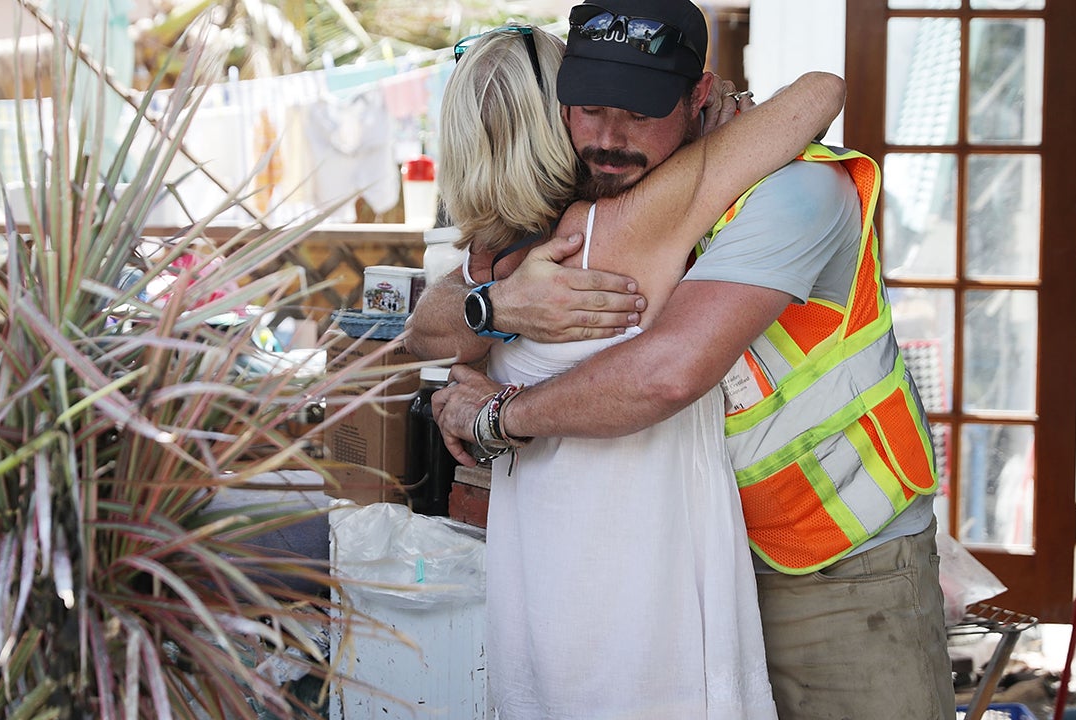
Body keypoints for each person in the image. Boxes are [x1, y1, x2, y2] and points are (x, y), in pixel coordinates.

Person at [407, 1, 958, 719]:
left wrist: (497, 415)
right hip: (689, 562)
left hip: (838, 563)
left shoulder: (793, 194)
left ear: (700, 97)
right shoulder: (569, 227)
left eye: (640, 112)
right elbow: (429, 327)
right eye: (588, 109)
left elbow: (665, 373)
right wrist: (496, 306)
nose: (609, 137)